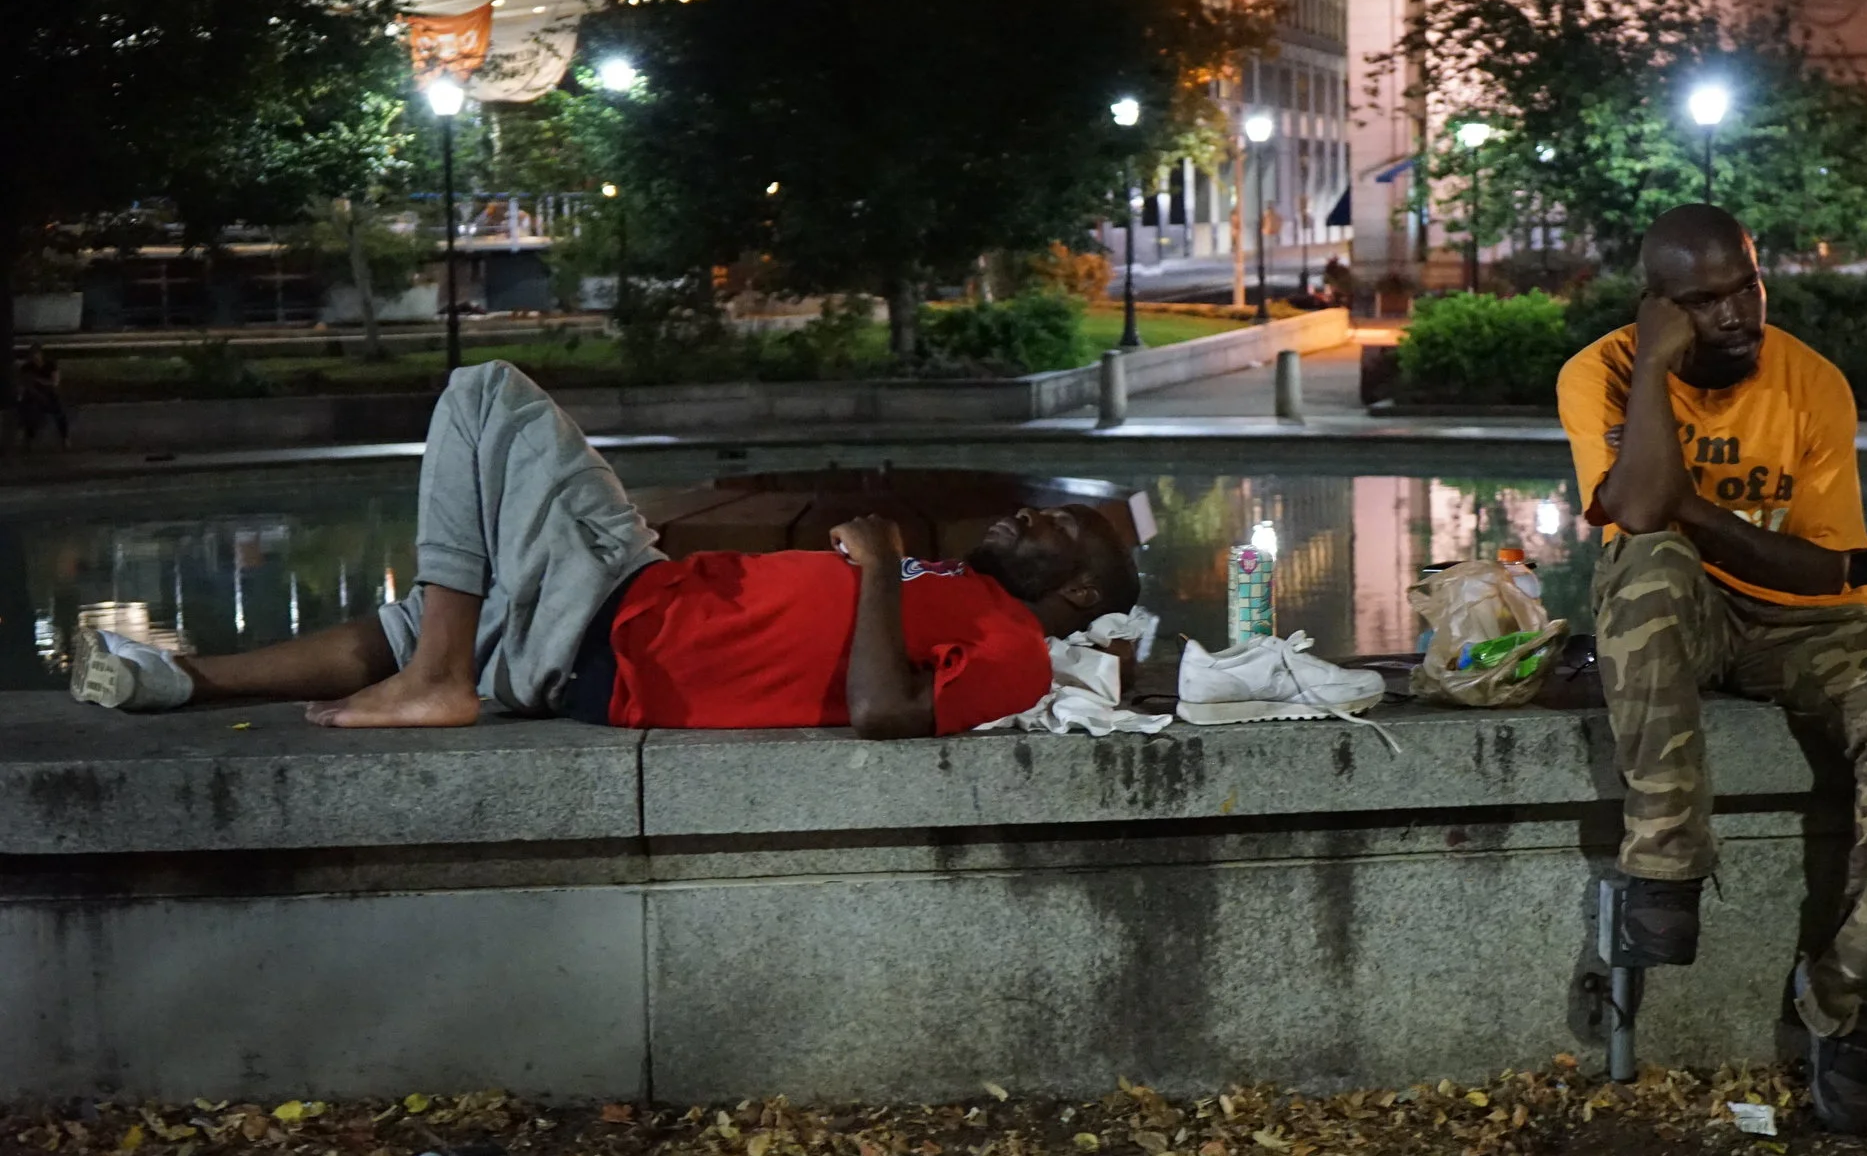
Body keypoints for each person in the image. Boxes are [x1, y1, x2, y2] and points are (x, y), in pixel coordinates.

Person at [69, 361, 1139, 734]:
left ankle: (441, 677)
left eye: (1057, 529)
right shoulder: (960, 587)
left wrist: (874, 566)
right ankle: (184, 683)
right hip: (627, 609)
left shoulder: (1015, 647)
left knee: (486, 394)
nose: (1030, 516)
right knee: (408, 619)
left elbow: (884, 712)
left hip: (618, 622)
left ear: (1081, 589)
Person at [1556, 204, 1867, 1135]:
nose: (1737, 313)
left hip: (1803, 620)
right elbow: (1643, 522)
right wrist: (1656, 368)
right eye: (1703, 301)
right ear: (1655, 306)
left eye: (1746, 285)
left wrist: (1684, 505)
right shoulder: (1602, 372)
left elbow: (1821, 568)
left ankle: (1850, 997)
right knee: (1648, 568)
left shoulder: (1812, 380)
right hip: (1682, 614)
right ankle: (1666, 858)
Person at [15, 341, 70, 446]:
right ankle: (28, 438)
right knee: (29, 412)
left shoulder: (50, 365)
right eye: (32, 355)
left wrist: (39, 380)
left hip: (48, 394)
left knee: (59, 412)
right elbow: (22, 384)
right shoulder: (27, 367)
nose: (34, 357)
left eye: (36, 354)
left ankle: (65, 438)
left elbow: (54, 382)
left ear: (40, 354)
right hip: (33, 395)